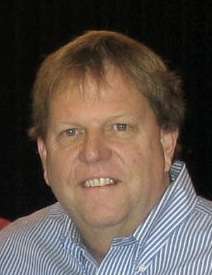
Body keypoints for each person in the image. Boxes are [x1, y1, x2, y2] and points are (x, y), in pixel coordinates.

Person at [0, 30, 211, 275]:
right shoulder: (13, 253)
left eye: (119, 128)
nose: (93, 152)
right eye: (71, 132)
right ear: (44, 155)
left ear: (166, 143)